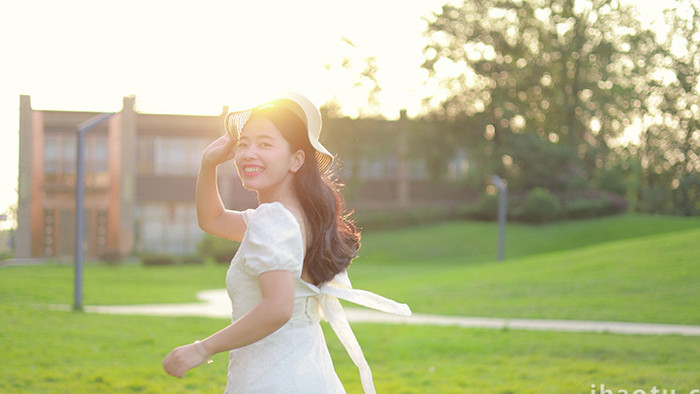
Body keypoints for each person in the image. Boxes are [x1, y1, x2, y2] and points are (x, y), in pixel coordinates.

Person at [163, 92, 411, 393]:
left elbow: (278, 308)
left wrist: (201, 349)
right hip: (309, 375)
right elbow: (212, 220)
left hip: (273, 381)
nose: (249, 153)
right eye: (244, 143)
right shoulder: (298, 217)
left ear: (296, 160)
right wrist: (208, 163)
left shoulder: (273, 221)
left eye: (265, 144)